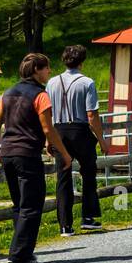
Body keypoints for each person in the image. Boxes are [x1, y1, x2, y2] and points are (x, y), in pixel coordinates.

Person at [0, 53, 73, 263]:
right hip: (27, 154)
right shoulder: (40, 95)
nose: (49, 72)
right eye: (46, 68)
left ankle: (24, 251)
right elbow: (48, 128)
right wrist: (63, 153)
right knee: (32, 205)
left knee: (19, 205)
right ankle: (18, 256)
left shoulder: (7, 94)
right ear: (36, 69)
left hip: (8, 153)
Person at [48, 44, 106, 237]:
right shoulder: (87, 82)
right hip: (80, 130)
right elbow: (91, 114)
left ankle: (65, 225)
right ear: (82, 62)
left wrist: (49, 139)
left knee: (63, 178)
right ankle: (88, 217)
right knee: (88, 173)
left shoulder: (52, 82)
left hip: (59, 130)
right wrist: (101, 139)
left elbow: (47, 113)